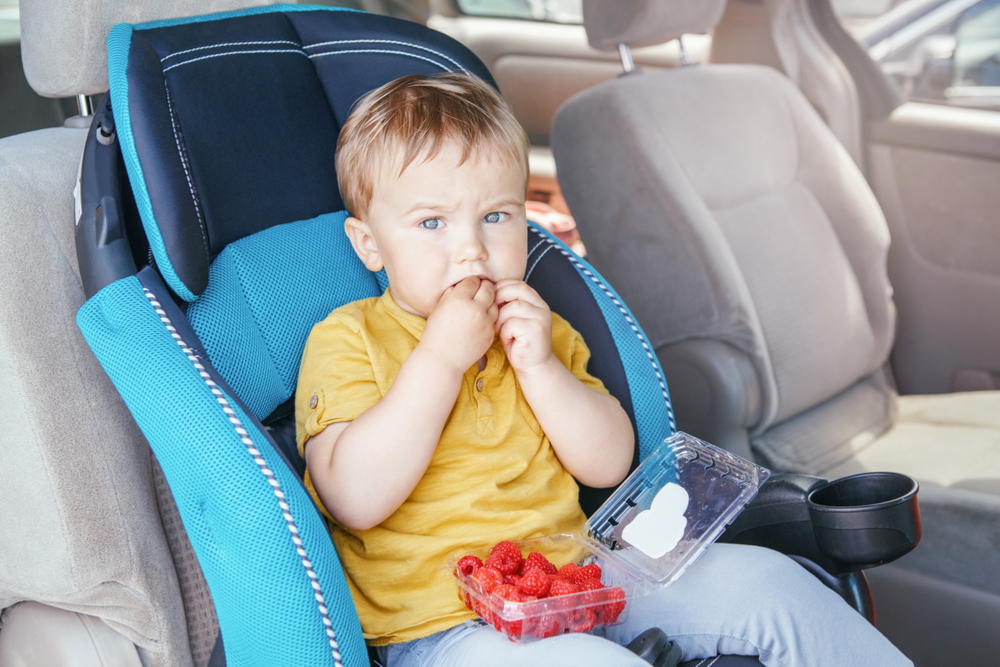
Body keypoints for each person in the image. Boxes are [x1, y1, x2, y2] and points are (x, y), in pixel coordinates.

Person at [295, 72, 912, 667]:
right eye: (432, 223)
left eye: (496, 217)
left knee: (770, 583)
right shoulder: (350, 338)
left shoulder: (541, 328)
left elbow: (609, 465)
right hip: (445, 627)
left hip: (579, 580)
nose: (471, 249)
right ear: (369, 244)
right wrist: (440, 358)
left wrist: (539, 368)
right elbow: (354, 497)